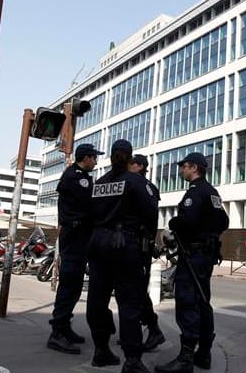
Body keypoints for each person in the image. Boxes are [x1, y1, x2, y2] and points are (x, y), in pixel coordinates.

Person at [87, 140, 158, 373]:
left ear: (111, 156)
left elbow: (90, 215)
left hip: (98, 243)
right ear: (129, 157)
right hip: (124, 245)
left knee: (97, 300)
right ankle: (132, 360)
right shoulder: (136, 181)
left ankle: (101, 351)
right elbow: (151, 216)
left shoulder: (99, 183)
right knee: (129, 304)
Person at [156, 152, 228, 373]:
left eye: (184, 166)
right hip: (206, 255)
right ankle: (204, 353)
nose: (181, 170)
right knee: (203, 302)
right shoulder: (212, 192)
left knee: (187, 302)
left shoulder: (195, 192)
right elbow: (224, 222)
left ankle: (185, 359)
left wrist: (173, 223)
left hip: (194, 255)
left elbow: (186, 221)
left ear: (194, 167)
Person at [47, 143, 103, 354]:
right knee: (70, 283)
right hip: (75, 234)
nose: (96, 161)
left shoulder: (77, 175)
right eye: (94, 158)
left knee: (75, 283)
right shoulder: (76, 177)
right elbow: (90, 205)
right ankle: (57, 333)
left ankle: (64, 327)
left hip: (79, 234)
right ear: (86, 158)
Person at [128, 154, 165, 351]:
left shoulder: (145, 186)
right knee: (131, 291)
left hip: (139, 245)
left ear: (140, 166)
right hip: (135, 243)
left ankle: (153, 329)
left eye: (131, 163)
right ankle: (134, 330)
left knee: (137, 290)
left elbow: (150, 218)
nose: (128, 166)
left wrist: (147, 240)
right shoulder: (137, 184)